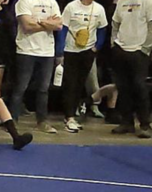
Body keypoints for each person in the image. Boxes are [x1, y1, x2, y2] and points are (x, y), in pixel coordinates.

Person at [9, 0, 62, 133]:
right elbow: (27, 25)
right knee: (20, 87)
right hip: (26, 50)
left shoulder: (52, 2)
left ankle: (42, 121)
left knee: (43, 89)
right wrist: (48, 23)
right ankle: (12, 121)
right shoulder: (23, 2)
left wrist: (38, 21)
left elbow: (59, 25)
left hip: (47, 52)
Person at [56, 0, 107, 133]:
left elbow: (102, 29)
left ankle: (74, 114)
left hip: (88, 51)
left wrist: (97, 47)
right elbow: (63, 29)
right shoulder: (71, 7)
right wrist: (60, 51)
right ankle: (69, 117)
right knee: (70, 84)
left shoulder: (99, 9)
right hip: (70, 50)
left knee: (80, 84)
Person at [109, 0, 152, 138]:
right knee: (123, 87)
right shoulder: (121, 2)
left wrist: (145, 48)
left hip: (139, 50)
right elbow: (115, 23)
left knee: (139, 86)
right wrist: (114, 43)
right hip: (121, 49)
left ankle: (145, 124)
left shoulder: (148, 2)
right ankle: (126, 122)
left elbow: (151, 25)